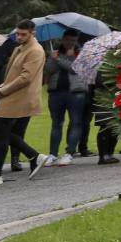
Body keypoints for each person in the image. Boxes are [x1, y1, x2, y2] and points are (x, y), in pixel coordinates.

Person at [0, 20, 52, 187]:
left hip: (20, 96)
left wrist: (3, 91)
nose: (19, 37)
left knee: (0, 131)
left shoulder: (35, 50)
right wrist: (1, 86)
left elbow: (25, 78)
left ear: (32, 33)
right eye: (17, 34)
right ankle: (33, 157)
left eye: (23, 34)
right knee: (2, 132)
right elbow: (12, 74)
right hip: (13, 95)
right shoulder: (19, 48)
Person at [43, 32, 84, 165]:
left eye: (72, 40)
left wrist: (61, 60)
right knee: (56, 123)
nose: (69, 43)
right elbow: (48, 70)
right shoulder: (56, 53)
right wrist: (53, 58)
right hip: (56, 92)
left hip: (76, 93)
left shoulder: (81, 53)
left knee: (75, 122)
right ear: (62, 40)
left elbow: (74, 69)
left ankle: (69, 153)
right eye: (67, 40)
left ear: (76, 40)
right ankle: (53, 154)